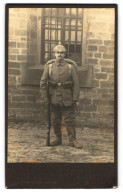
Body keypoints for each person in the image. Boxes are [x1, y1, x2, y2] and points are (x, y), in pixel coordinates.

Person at [40, 42, 82, 149]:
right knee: (55, 119)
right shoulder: (49, 67)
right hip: (53, 97)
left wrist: (75, 98)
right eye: (57, 52)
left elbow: (76, 84)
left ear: (65, 54)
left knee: (70, 119)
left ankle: (72, 140)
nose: (59, 54)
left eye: (62, 52)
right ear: (54, 53)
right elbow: (43, 83)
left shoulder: (70, 67)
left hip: (67, 97)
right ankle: (58, 139)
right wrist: (45, 97)